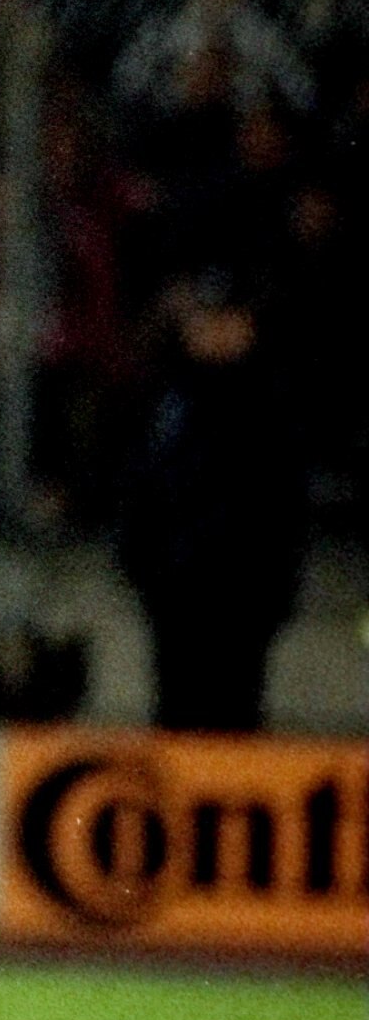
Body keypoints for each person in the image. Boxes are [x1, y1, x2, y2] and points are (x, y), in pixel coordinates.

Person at [117, 273, 308, 732]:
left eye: (227, 320)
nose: (215, 333)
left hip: (244, 600)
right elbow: (140, 493)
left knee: (235, 718)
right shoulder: (166, 402)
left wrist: (272, 594)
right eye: (205, 321)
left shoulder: (271, 407)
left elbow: (286, 510)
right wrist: (146, 574)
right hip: (174, 597)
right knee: (176, 719)